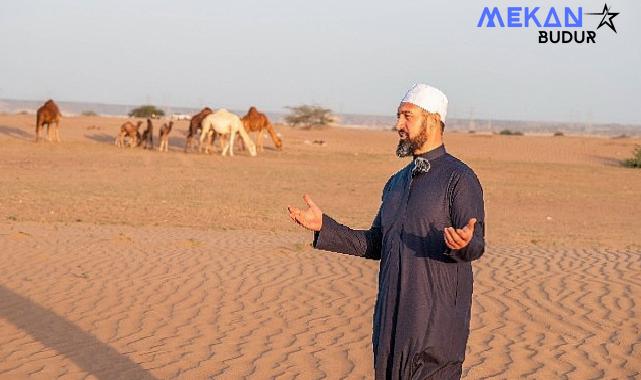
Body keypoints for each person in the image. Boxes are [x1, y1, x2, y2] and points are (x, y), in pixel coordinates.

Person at [287, 83, 485, 379]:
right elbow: (377, 243)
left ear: (431, 119)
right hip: (391, 325)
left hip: (435, 329)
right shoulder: (396, 182)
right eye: (398, 116)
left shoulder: (459, 178)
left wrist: (465, 244)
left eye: (407, 116)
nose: (398, 125)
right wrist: (325, 226)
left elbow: (475, 243)